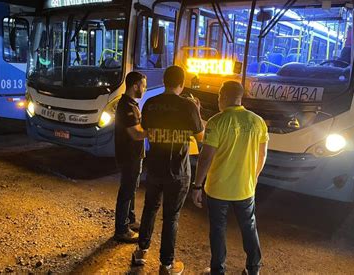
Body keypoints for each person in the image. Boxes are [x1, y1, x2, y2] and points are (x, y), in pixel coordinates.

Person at [132, 65, 204, 275]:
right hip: (178, 171)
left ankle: (141, 252)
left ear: (164, 81)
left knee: (150, 208)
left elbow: (144, 131)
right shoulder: (188, 106)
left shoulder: (151, 104)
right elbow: (200, 138)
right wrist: (196, 111)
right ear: (181, 84)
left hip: (154, 167)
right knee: (171, 217)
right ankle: (166, 265)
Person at [191, 81, 268, 275]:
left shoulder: (217, 121)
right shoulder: (257, 121)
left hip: (218, 189)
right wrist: (254, 177)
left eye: (219, 98)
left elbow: (206, 157)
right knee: (249, 227)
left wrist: (197, 186)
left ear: (223, 97)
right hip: (245, 188)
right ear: (240, 98)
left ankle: (218, 270)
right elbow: (262, 155)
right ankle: (253, 268)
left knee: (217, 230)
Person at [113, 71, 148, 242]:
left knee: (132, 189)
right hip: (129, 156)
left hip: (134, 155)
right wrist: (154, 130)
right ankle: (121, 229)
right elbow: (136, 134)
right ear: (135, 86)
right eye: (143, 85)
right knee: (127, 191)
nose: (145, 88)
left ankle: (131, 221)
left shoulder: (131, 104)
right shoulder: (126, 106)